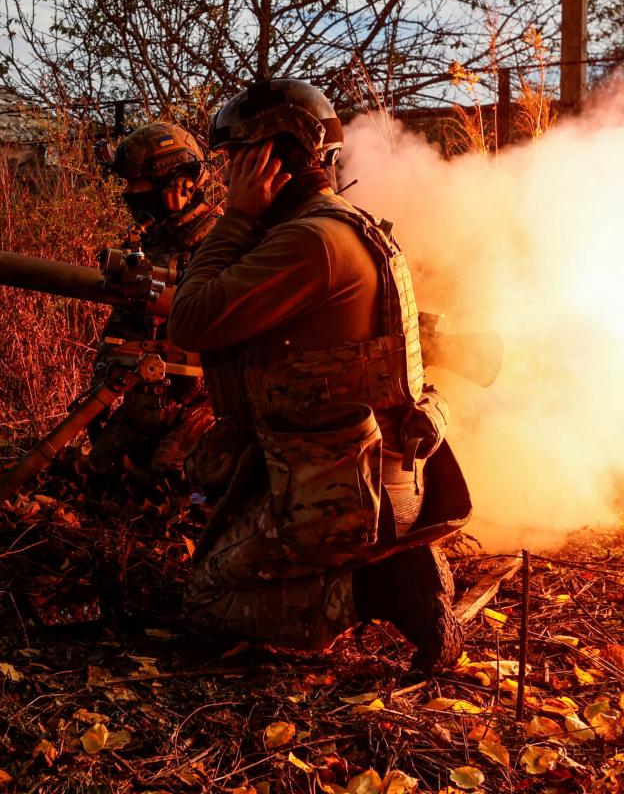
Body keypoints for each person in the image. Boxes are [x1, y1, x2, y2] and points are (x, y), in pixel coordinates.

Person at [165, 80, 471, 674]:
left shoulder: (309, 242)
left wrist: (236, 218)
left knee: (206, 598)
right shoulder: (339, 225)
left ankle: (384, 588)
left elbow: (191, 319)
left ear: (270, 159)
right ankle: (375, 565)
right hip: (365, 476)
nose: (228, 177)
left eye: (237, 161)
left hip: (343, 494)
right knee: (220, 541)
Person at [82, 123, 221, 489]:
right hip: (146, 401)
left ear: (179, 187)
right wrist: (100, 388)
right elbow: (124, 326)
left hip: (202, 406)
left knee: (168, 484)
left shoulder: (220, 244)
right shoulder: (154, 238)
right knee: (99, 472)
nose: (129, 194)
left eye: (137, 185)